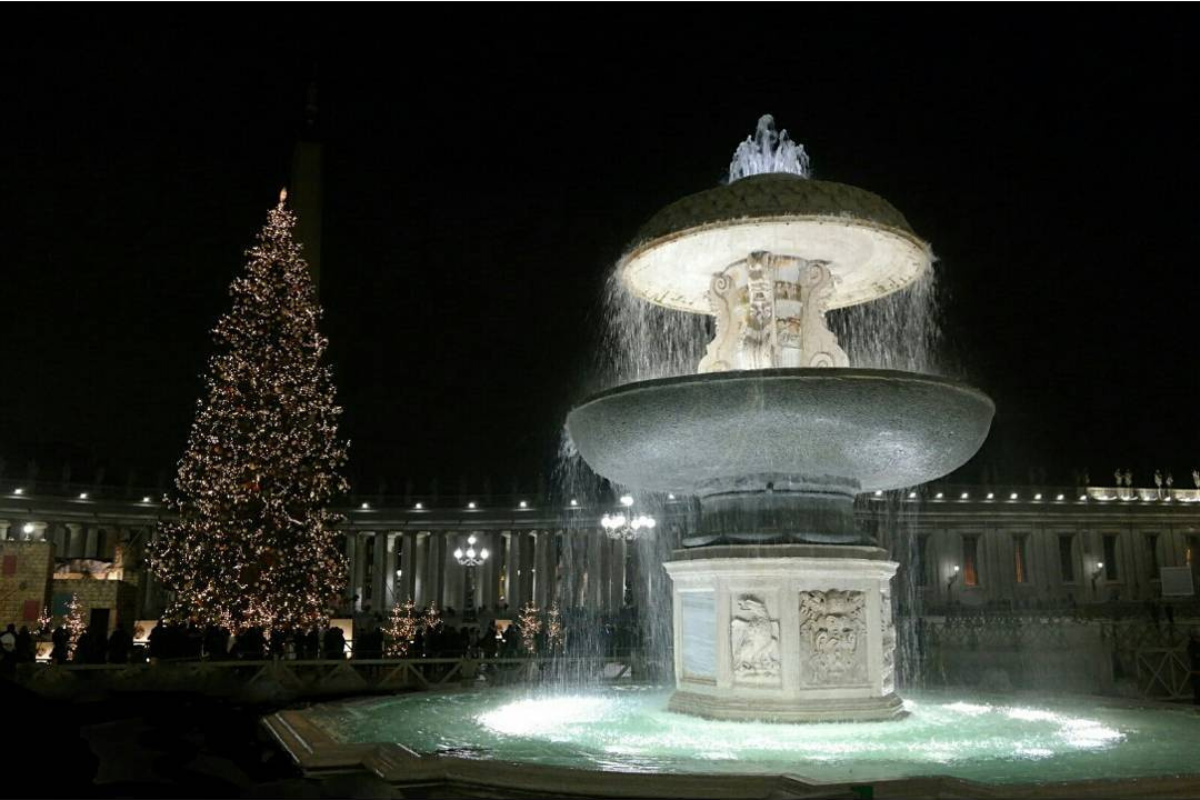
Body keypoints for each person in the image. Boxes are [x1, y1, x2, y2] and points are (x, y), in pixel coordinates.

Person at [1189, 628, 1200, 706]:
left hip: (1196, 673)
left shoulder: (1192, 646)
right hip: (1197, 673)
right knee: (1198, 694)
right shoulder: (1193, 646)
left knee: (1197, 694)